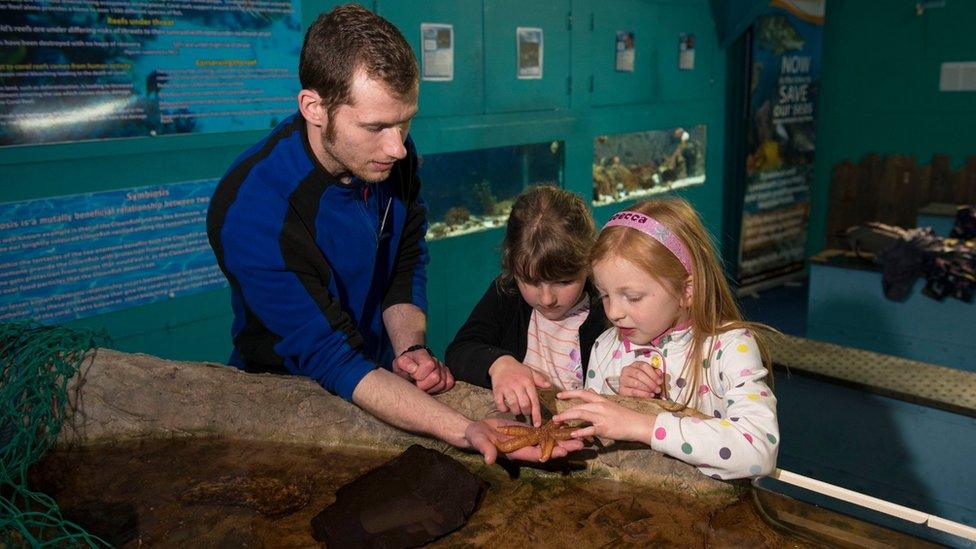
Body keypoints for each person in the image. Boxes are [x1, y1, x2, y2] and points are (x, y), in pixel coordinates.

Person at [207, 5, 578, 464]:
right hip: (284, 393)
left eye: (406, 121)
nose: (398, 147)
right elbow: (331, 359)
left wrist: (410, 347)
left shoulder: (389, 156)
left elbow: (404, 259)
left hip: (380, 378)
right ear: (314, 107)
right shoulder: (252, 212)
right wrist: (464, 430)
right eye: (376, 126)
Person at [554, 199, 779, 479]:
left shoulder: (730, 347)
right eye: (604, 294)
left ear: (687, 291)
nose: (613, 313)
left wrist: (641, 424)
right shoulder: (606, 346)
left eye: (633, 297)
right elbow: (593, 442)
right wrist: (621, 400)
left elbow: (758, 450)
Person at [447, 186, 607, 427]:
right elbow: (459, 351)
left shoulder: (608, 308)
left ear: (588, 262)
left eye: (563, 281)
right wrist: (500, 364)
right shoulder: (507, 293)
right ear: (512, 265)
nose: (546, 298)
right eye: (531, 281)